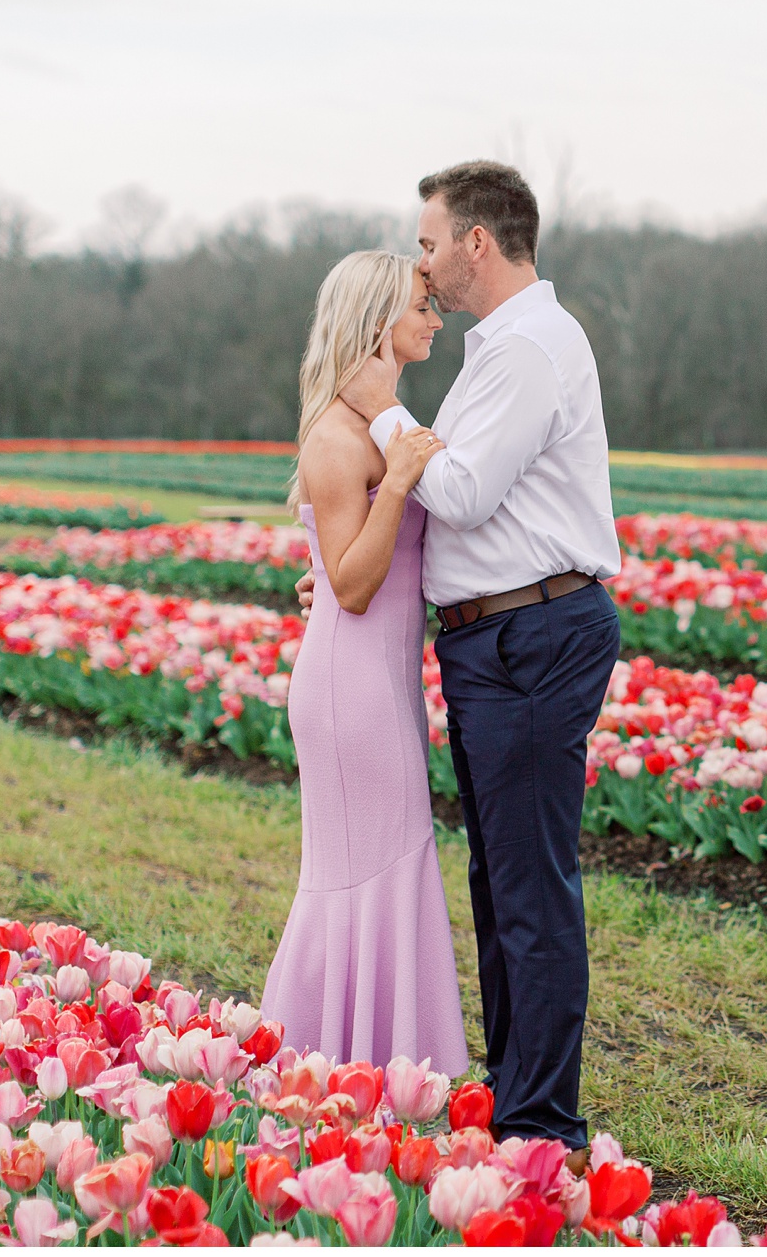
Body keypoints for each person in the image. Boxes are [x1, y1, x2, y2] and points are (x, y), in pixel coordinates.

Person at [303, 160, 620, 1170]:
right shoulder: (499, 348)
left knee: (529, 881)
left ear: (476, 241)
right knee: (502, 879)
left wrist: (381, 410)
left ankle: (542, 1120)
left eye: (433, 241)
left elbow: (469, 489)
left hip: (532, 630)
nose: (427, 265)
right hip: (492, 636)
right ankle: (516, 1089)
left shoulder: (531, 347)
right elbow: (435, 500)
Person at [261, 248, 468, 1078]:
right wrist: (404, 479)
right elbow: (350, 587)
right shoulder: (340, 439)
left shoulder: (373, 423)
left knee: (391, 861)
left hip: (382, 681)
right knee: (360, 869)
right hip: (350, 686)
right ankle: (321, 1056)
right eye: (421, 303)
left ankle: (370, 1061)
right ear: (377, 316)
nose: (434, 315)